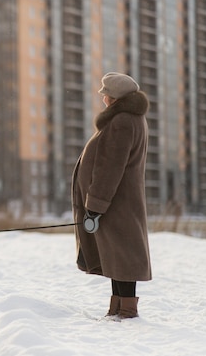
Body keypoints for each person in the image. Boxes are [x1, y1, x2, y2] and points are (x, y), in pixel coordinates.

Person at [71, 72, 152, 319]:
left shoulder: (122, 122)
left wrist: (95, 206)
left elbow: (109, 168)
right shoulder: (132, 119)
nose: (103, 98)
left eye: (105, 94)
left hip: (115, 203)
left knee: (123, 257)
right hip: (119, 202)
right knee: (118, 256)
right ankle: (117, 309)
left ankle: (126, 311)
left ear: (114, 98)